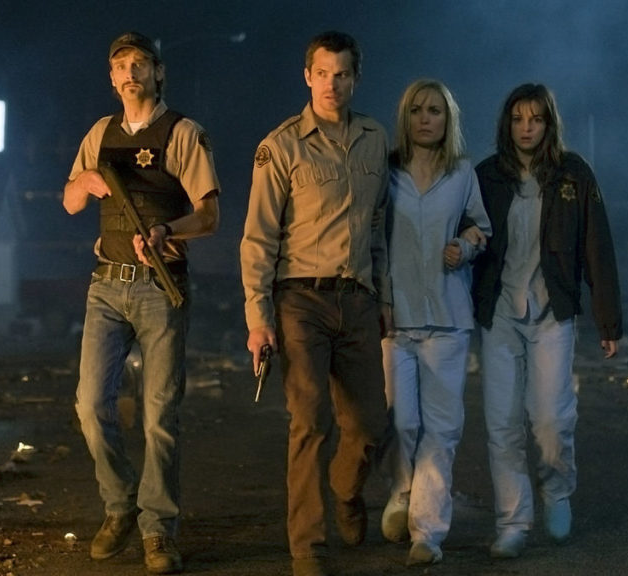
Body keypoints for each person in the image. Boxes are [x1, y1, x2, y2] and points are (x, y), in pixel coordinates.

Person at [63, 31, 220, 574]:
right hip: (106, 285)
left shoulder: (184, 133)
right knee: (90, 405)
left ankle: (158, 531)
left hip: (160, 285)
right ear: (111, 78)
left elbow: (210, 216)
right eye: (120, 65)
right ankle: (120, 505)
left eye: (139, 63)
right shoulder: (99, 133)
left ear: (158, 72)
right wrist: (86, 180)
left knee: (159, 417)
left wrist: (165, 230)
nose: (130, 72)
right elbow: (70, 201)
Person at [240, 30, 390, 576]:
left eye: (342, 74)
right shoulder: (281, 146)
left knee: (371, 424)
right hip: (300, 298)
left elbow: (377, 226)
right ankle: (308, 546)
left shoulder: (374, 138)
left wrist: (384, 297)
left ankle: (345, 488)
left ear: (355, 79)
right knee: (310, 418)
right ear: (307, 77)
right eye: (322, 73)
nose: (332, 84)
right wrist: (258, 320)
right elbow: (258, 238)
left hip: (358, 300)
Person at [471, 83, 622, 558]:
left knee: (551, 419)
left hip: (552, 311)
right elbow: (463, 240)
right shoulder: (486, 176)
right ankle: (513, 522)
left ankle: (557, 492)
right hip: (499, 312)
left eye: (535, 119)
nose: (526, 128)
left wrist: (608, 321)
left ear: (549, 123)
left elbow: (597, 246)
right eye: (518, 119)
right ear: (507, 124)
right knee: (502, 423)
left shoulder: (573, 174)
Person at [377, 79, 491, 566]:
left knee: (442, 429)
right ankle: (402, 492)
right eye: (418, 110)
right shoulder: (385, 170)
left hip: (448, 317)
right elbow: (370, 233)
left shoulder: (462, 173)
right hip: (396, 319)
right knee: (401, 421)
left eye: (436, 111)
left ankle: (427, 533)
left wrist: (464, 246)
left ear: (449, 120)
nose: (426, 118)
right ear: (406, 117)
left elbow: (482, 227)